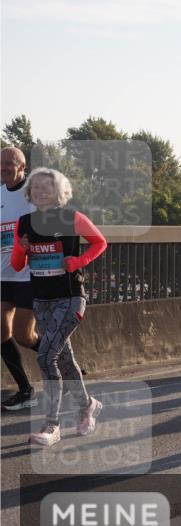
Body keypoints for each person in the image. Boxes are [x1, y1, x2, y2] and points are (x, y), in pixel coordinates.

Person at [10, 168, 107, 446]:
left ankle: (52, 425)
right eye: (36, 187)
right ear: (30, 192)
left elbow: (100, 242)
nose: (40, 191)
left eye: (46, 187)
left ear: (59, 192)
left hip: (70, 298)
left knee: (45, 357)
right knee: (63, 358)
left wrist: (77, 262)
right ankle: (87, 405)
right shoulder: (24, 223)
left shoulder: (71, 218)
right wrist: (22, 247)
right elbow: (18, 264)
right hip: (41, 301)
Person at [1, 147, 39, 411]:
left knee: (25, 336)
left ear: (22, 166)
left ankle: (63, 360)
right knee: (0, 333)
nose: (2, 168)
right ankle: (25, 390)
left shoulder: (34, 194)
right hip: (3, 275)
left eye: (8, 164)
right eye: (0, 163)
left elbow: (55, 225)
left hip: (28, 276)